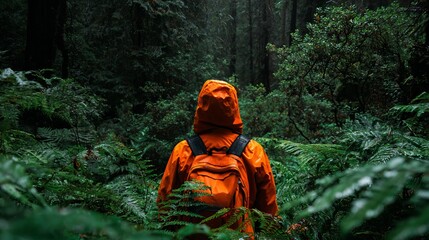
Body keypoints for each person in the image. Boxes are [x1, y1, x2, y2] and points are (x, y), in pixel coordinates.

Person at [157, 79, 278, 236]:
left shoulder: (184, 150)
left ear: (202, 105)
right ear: (234, 105)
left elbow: (165, 203)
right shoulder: (252, 150)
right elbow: (268, 209)